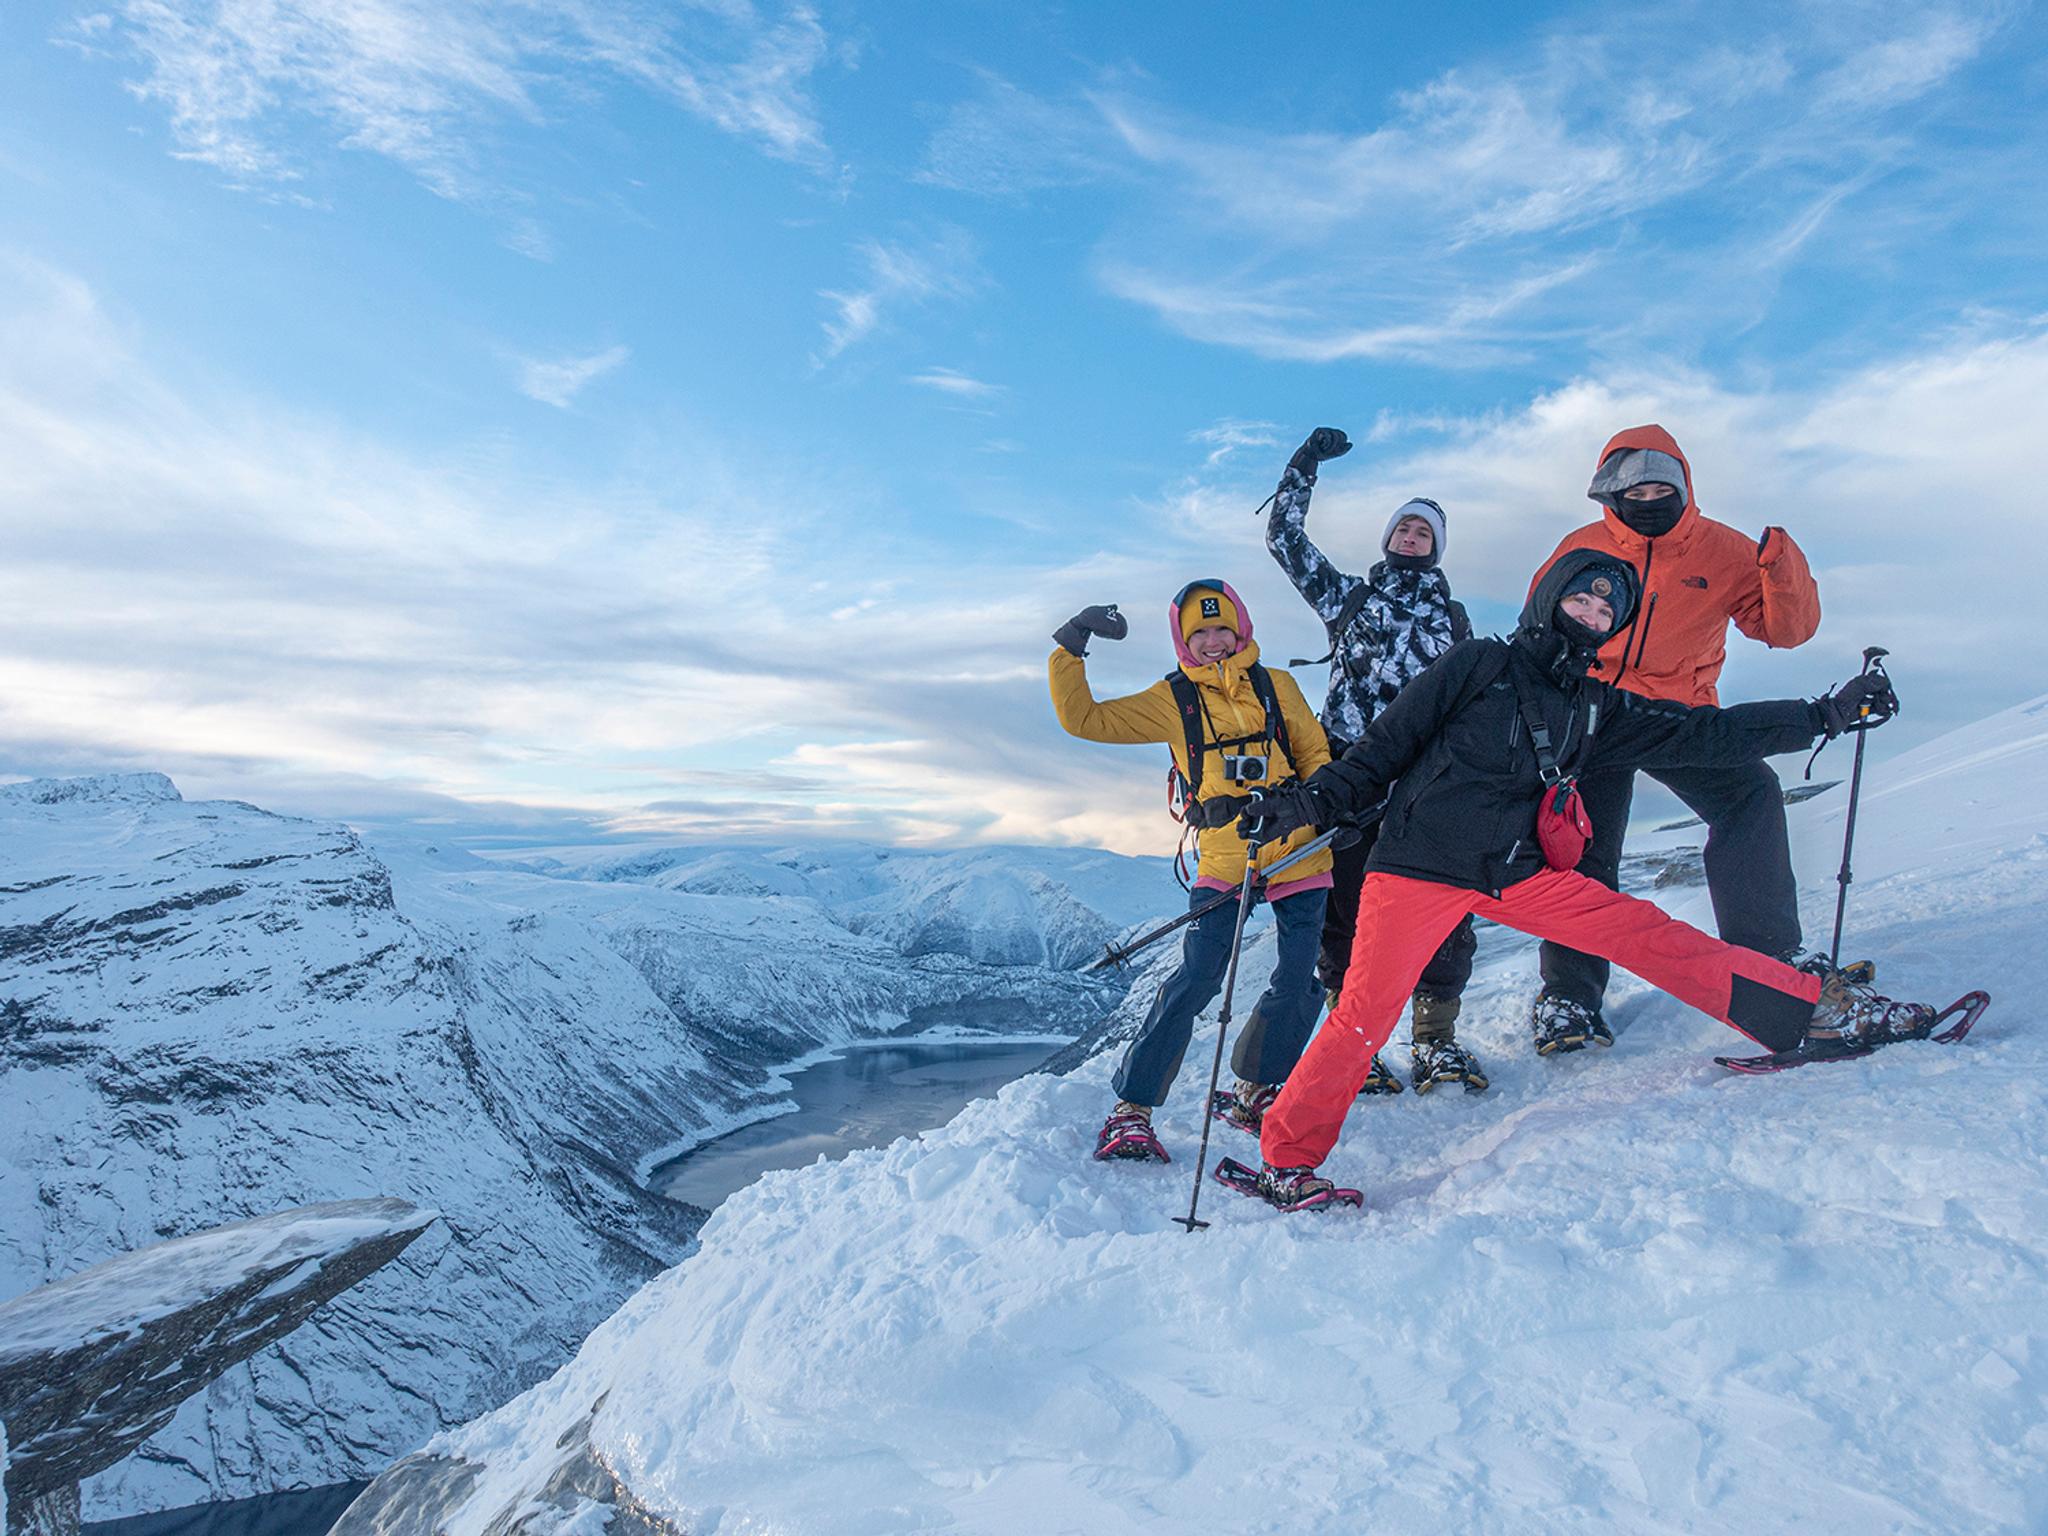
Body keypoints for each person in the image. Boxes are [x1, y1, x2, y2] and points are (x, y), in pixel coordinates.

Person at [1229, 548, 1922, 1211]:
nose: (1592, 609)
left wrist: (1823, 715)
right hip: (1419, 868)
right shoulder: (1475, 665)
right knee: (1364, 1016)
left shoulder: (1597, 707)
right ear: (1550, 593)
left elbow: (1707, 734)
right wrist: (1301, 805)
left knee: (1650, 935)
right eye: (1583, 594)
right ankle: (1287, 1159)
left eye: (1607, 606)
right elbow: (1379, 754)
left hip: (1521, 874)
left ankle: (1811, 1013)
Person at [1525, 426, 1822, 1054]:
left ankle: (1771, 963)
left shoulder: (1724, 548)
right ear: (1611, 491)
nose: (1650, 498)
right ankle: (1568, 999)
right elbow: (1538, 627)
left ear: (1684, 486)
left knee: (1751, 798)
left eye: (1663, 487)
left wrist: (1780, 564)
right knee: (1584, 850)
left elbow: (1785, 632)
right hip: (1593, 715)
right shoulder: (1581, 546)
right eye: (1637, 488)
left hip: (1680, 715)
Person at [1049, 581, 1334, 1161]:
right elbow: (1085, 720)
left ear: (1241, 631)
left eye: (1221, 629)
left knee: (1301, 976)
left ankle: (1257, 1085)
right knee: (1198, 978)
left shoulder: (1277, 686)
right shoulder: (1173, 699)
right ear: (1183, 638)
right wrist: (1070, 646)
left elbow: (1316, 757)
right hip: (1227, 858)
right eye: (1198, 632)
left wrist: (1303, 806)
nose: (1211, 641)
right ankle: (1133, 1106)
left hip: (1301, 851)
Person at [1266, 426, 1485, 1094]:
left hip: (1422, 781)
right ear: (1389, 538)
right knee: (1347, 911)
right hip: (1349, 770)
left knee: (1443, 905)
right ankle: (1352, 1045)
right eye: (1405, 528)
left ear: (1436, 546)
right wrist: (1303, 468)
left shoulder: (1454, 621)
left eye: (1424, 532)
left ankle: (1435, 1040)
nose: (1412, 537)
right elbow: (1285, 542)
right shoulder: (1351, 598)